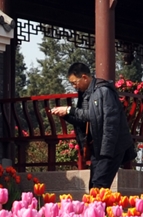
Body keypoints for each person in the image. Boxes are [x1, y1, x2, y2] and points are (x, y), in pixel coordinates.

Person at [49, 60, 133, 192]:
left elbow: (99, 118)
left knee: (99, 186)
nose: (74, 86)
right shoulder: (86, 95)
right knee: (94, 186)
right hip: (97, 147)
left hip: (111, 147)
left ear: (84, 77)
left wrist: (70, 110)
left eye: (74, 82)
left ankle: (100, 212)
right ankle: (100, 212)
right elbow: (85, 121)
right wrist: (65, 115)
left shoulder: (104, 91)